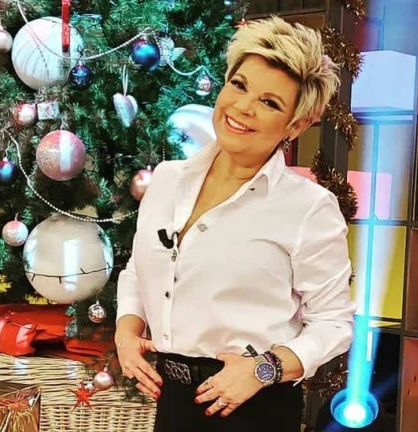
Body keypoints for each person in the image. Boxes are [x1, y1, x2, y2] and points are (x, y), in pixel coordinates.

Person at [115, 15, 356, 432]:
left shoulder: (308, 207)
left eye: (270, 102)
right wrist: (126, 331)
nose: (243, 107)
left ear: (296, 124)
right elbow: (140, 268)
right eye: (239, 85)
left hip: (254, 409)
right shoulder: (167, 180)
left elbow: (334, 323)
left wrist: (263, 370)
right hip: (172, 402)